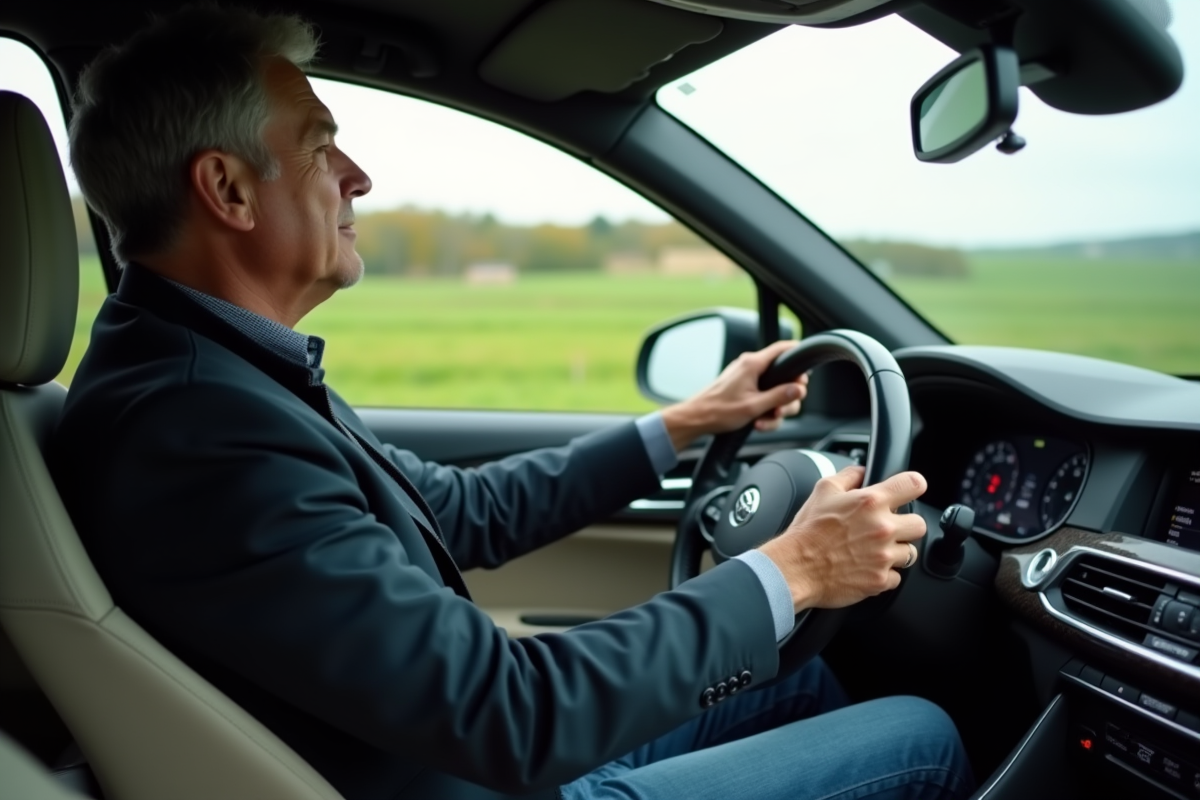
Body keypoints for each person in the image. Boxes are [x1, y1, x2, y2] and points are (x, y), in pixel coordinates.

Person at [52, 6, 974, 800]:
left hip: (452, 766)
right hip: (480, 777)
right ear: (226, 189)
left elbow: (457, 513)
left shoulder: (207, 370)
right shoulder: (200, 430)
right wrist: (795, 571)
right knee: (920, 734)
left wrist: (690, 422)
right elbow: (512, 713)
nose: (357, 176)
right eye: (319, 144)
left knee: (797, 683)